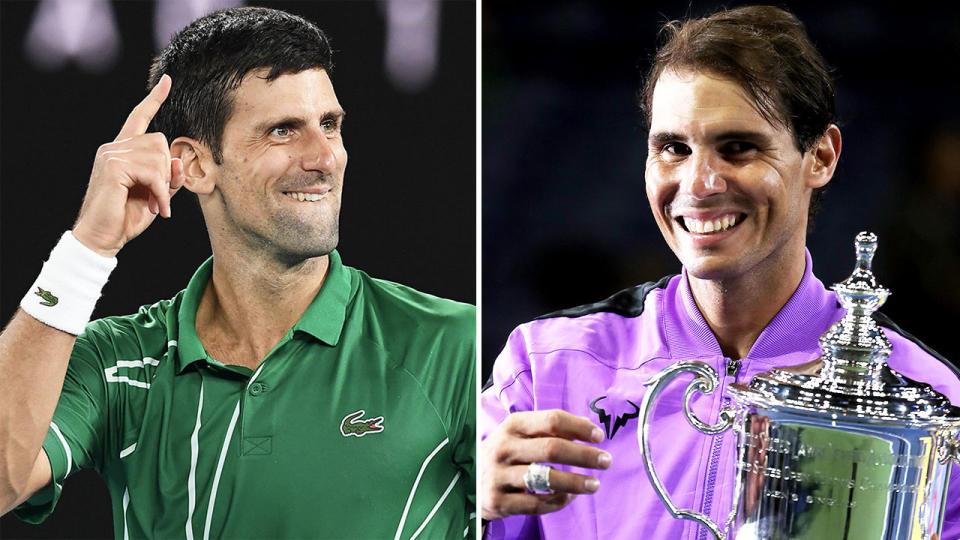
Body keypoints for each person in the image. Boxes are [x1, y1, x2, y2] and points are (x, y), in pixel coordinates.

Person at [480, 5, 960, 539]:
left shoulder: (929, 404)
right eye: (673, 149)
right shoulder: (548, 367)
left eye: (738, 148)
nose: (700, 182)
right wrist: (465, 510)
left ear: (820, 156)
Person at [0, 7, 475, 539]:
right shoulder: (119, 363)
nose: (324, 157)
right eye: (281, 131)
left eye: (330, 125)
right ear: (196, 165)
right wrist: (87, 248)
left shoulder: (454, 345)